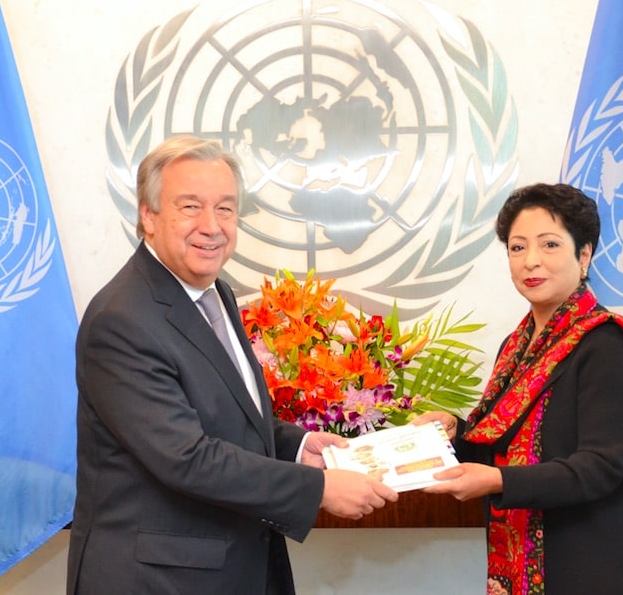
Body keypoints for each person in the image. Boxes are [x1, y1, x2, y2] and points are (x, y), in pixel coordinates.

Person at [66, 135, 398, 595]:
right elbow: (187, 457)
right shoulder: (121, 320)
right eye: (189, 207)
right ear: (148, 215)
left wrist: (301, 447)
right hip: (156, 580)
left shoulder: (213, 292)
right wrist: (317, 490)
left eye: (225, 208)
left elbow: (227, 418)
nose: (211, 226)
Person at [416, 183, 623, 594]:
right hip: (531, 566)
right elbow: (501, 446)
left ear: (585, 254)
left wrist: (498, 481)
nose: (530, 261)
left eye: (550, 245)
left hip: (594, 567)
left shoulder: (606, 343)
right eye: (517, 248)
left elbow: (599, 468)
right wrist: (452, 433)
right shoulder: (517, 346)